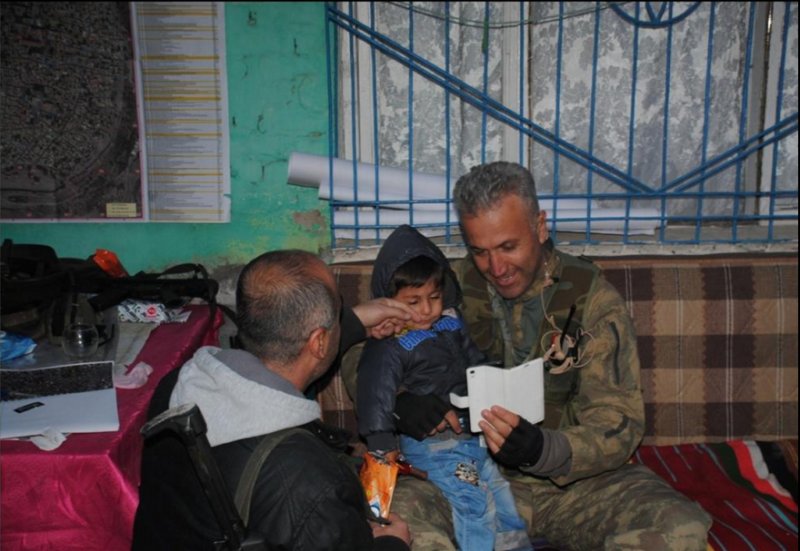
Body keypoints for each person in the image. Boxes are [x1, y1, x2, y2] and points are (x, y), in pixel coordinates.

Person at [388, 161, 712, 550]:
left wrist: (545, 450)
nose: (496, 268)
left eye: (509, 247)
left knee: (680, 528)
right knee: (397, 517)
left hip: (574, 487)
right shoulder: (446, 289)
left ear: (540, 226)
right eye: (480, 251)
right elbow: (371, 348)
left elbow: (619, 422)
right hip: (467, 477)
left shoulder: (590, 300)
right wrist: (400, 401)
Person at [132, 249, 416, 550]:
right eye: (338, 311)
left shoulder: (178, 385)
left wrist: (354, 322)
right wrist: (394, 545)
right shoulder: (309, 481)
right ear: (319, 341)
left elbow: (288, 359)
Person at [356, 224, 532, 551]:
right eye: (413, 301)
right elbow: (375, 393)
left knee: (504, 501)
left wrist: (498, 380)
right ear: (388, 302)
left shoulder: (451, 324)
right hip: (435, 445)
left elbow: (475, 362)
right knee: (472, 505)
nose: (426, 309)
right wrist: (381, 442)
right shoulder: (388, 343)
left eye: (434, 297)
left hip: (474, 438)